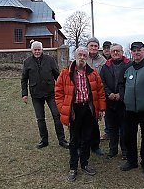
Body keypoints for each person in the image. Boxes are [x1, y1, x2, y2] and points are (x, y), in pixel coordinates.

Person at [55, 46, 106, 182]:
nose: (82, 57)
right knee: (74, 139)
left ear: (87, 57)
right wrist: (63, 108)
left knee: (87, 138)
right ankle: (73, 167)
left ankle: (85, 163)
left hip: (88, 109)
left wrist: (100, 109)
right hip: (74, 110)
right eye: (80, 55)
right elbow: (58, 92)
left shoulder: (93, 73)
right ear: (75, 55)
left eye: (85, 55)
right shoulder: (66, 73)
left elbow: (100, 92)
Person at [21, 41, 69, 149]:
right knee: (40, 118)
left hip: (50, 93)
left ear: (42, 50)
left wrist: (64, 89)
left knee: (57, 116)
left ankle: (62, 140)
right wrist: (24, 94)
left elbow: (58, 75)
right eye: (35, 50)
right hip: (36, 95)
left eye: (39, 49)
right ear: (32, 51)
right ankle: (44, 141)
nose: (37, 51)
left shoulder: (50, 60)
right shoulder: (27, 62)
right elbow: (24, 79)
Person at [119, 41, 144, 176]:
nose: (136, 53)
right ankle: (132, 160)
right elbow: (121, 84)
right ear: (131, 52)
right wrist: (123, 97)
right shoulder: (127, 67)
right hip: (129, 110)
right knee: (129, 136)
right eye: (134, 51)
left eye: (139, 50)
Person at [100, 43, 130, 159]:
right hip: (110, 103)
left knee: (124, 128)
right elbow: (102, 83)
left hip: (124, 103)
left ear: (122, 52)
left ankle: (125, 151)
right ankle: (113, 150)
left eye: (118, 51)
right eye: (113, 51)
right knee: (112, 129)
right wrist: (109, 94)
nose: (116, 53)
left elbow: (130, 84)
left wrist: (120, 95)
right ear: (110, 53)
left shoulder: (129, 65)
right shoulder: (105, 66)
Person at [86, 37, 107, 155]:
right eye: (91, 46)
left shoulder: (103, 61)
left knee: (94, 121)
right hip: (83, 95)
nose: (93, 48)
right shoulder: (83, 57)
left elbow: (104, 78)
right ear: (87, 47)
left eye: (95, 46)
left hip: (96, 94)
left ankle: (95, 145)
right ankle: (84, 143)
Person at [101, 40, 112, 140]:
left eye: (108, 48)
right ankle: (107, 131)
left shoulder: (115, 59)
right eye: (105, 48)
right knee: (106, 113)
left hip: (113, 90)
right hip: (103, 89)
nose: (107, 50)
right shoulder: (101, 59)